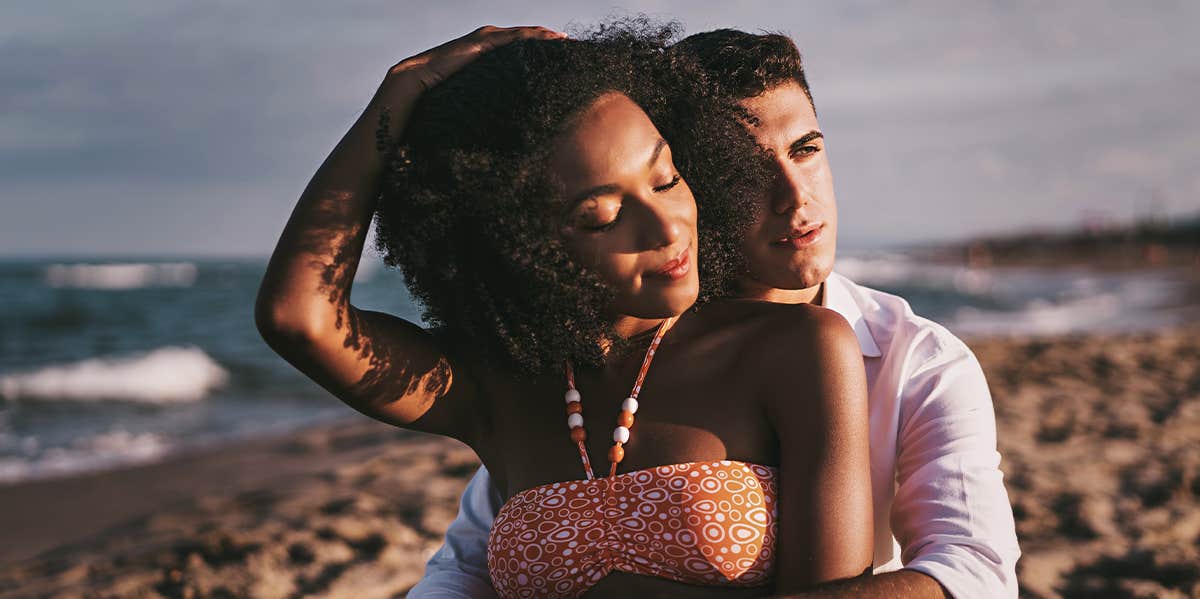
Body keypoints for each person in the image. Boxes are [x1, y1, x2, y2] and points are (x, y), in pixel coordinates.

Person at [256, 22, 875, 598]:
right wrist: (397, 97)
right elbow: (300, 317)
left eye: (665, 179)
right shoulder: (493, 383)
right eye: (601, 216)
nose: (666, 226)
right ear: (520, 243)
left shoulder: (798, 348)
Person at [410, 29, 1021, 599]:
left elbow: (973, 570)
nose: (794, 196)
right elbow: (463, 565)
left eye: (805, 150)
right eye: (748, 169)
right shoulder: (603, 357)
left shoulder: (917, 358)